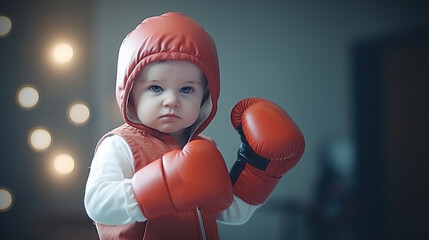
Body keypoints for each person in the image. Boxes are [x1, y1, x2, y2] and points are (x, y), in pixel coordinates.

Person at [84, 12, 305, 240]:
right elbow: (97, 203)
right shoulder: (120, 145)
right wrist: (167, 185)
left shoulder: (204, 148)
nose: (171, 100)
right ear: (130, 94)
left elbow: (231, 213)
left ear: (205, 97)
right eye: (156, 88)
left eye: (186, 89)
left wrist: (259, 168)